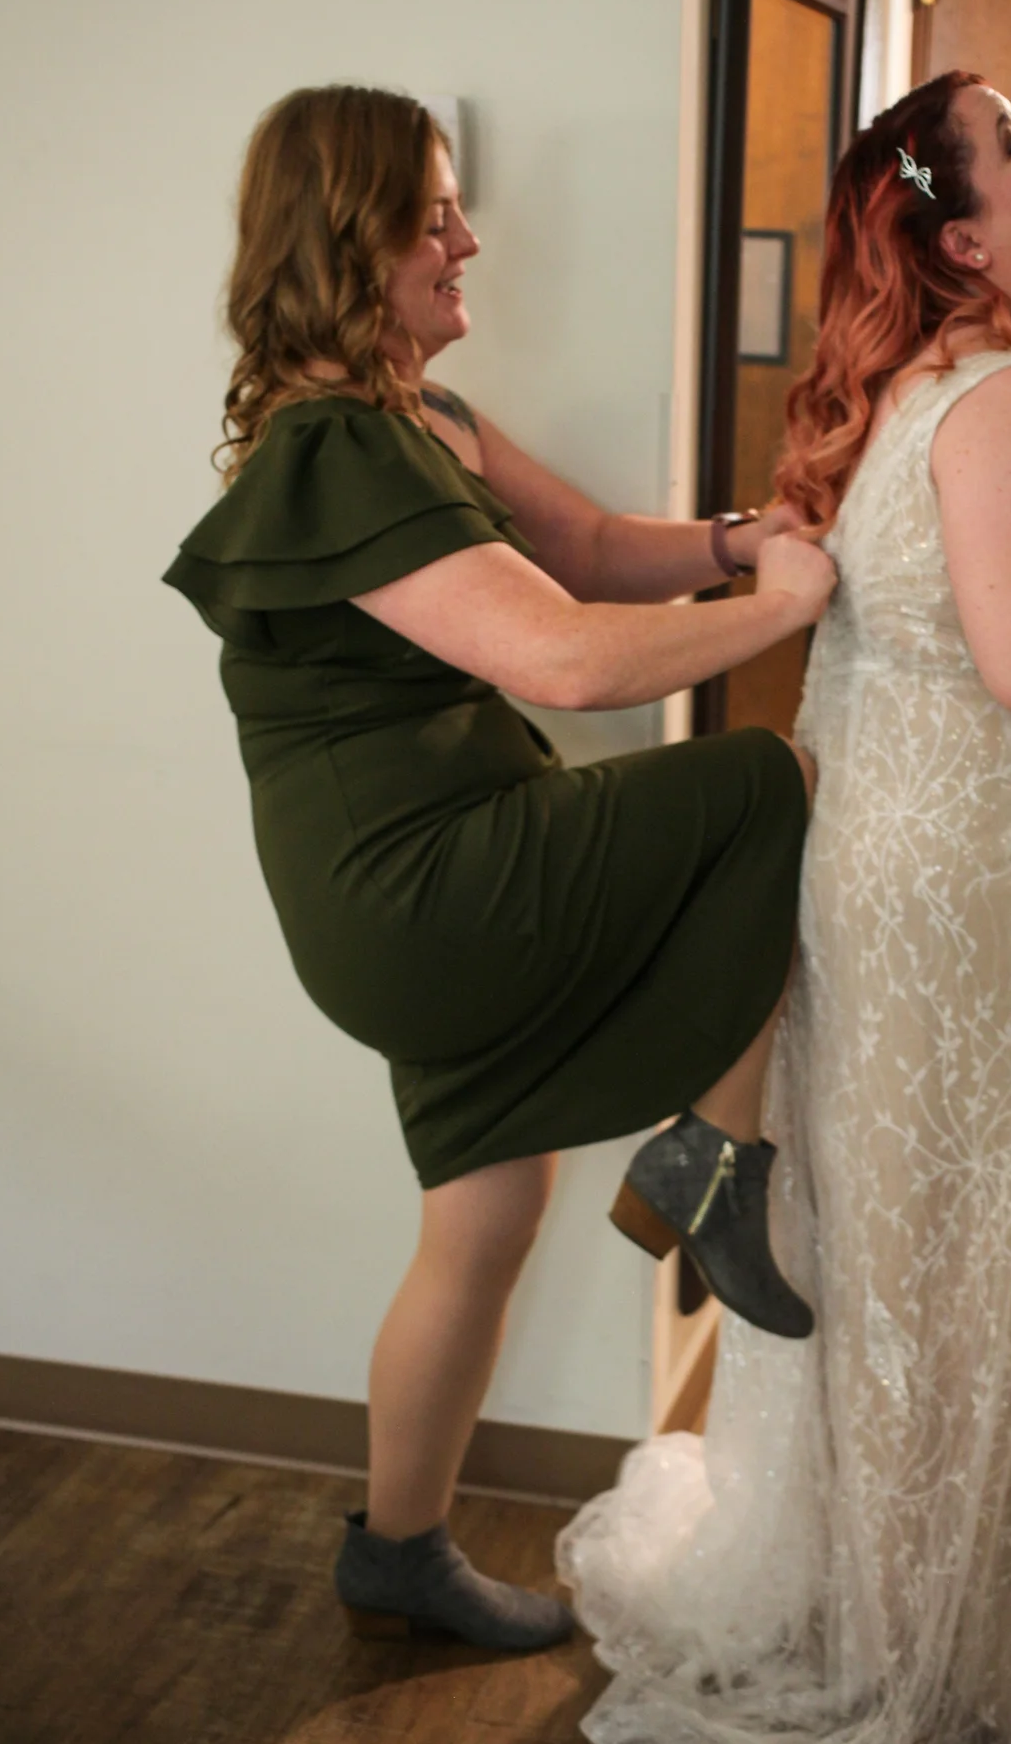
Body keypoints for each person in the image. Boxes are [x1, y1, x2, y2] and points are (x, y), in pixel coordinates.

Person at [557, 71, 1011, 1744]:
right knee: (969, 1255)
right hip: (986, 914)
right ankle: (971, 1654)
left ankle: (918, 1609)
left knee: (922, 1253)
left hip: (953, 888)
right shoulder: (1000, 397)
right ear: (962, 239)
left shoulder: (939, 388)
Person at [162, 85, 835, 1654]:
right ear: (351, 240)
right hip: (422, 887)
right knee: (766, 783)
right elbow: (570, 657)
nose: (468, 240)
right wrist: (785, 609)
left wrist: (739, 542)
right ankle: (712, 1165)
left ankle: (397, 1550)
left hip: (401, 889)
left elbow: (585, 549)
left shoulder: (425, 420)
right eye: (435, 214)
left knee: (485, 1210)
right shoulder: (336, 453)